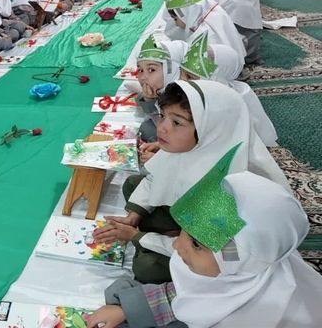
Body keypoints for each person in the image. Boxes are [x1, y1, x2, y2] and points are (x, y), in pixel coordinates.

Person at [93, 80, 289, 284]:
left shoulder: (231, 186)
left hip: (216, 253)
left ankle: (165, 236)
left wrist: (137, 236)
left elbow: (214, 257)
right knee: (134, 184)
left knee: (147, 268)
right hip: (192, 222)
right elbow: (155, 178)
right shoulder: (195, 146)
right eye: (163, 116)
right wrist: (134, 216)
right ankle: (168, 230)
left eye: (177, 122)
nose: (162, 128)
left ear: (210, 129)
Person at [87, 169, 322, 328]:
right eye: (183, 232)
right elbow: (197, 293)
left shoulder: (255, 317)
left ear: (235, 259)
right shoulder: (234, 266)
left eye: (196, 244)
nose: (178, 245)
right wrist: (129, 308)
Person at [179, 33, 278, 147]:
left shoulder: (232, 102)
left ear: (216, 77)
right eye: (181, 73)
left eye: (190, 77)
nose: (182, 81)